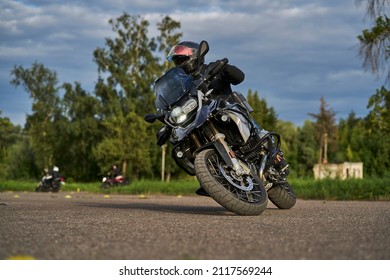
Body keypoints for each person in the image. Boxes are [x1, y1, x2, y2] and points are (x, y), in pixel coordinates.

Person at [167, 41, 289, 196]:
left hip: (227, 111)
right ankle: (212, 178)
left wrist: (225, 69)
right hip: (203, 121)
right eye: (176, 62)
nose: (179, 65)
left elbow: (239, 77)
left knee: (256, 131)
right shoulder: (184, 85)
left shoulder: (211, 69)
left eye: (181, 60)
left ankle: (272, 153)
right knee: (186, 141)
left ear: (194, 56)